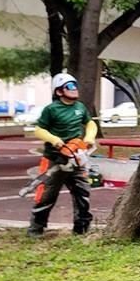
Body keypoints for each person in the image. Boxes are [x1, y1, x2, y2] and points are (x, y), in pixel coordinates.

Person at [27, 73, 98, 238]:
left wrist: (88, 138)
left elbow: (90, 123)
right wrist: (54, 140)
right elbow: (39, 129)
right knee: (46, 195)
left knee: (82, 192)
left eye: (75, 86)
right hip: (54, 159)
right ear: (59, 92)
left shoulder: (80, 107)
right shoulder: (51, 109)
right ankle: (36, 228)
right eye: (69, 87)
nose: (74, 89)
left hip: (76, 159)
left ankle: (81, 228)